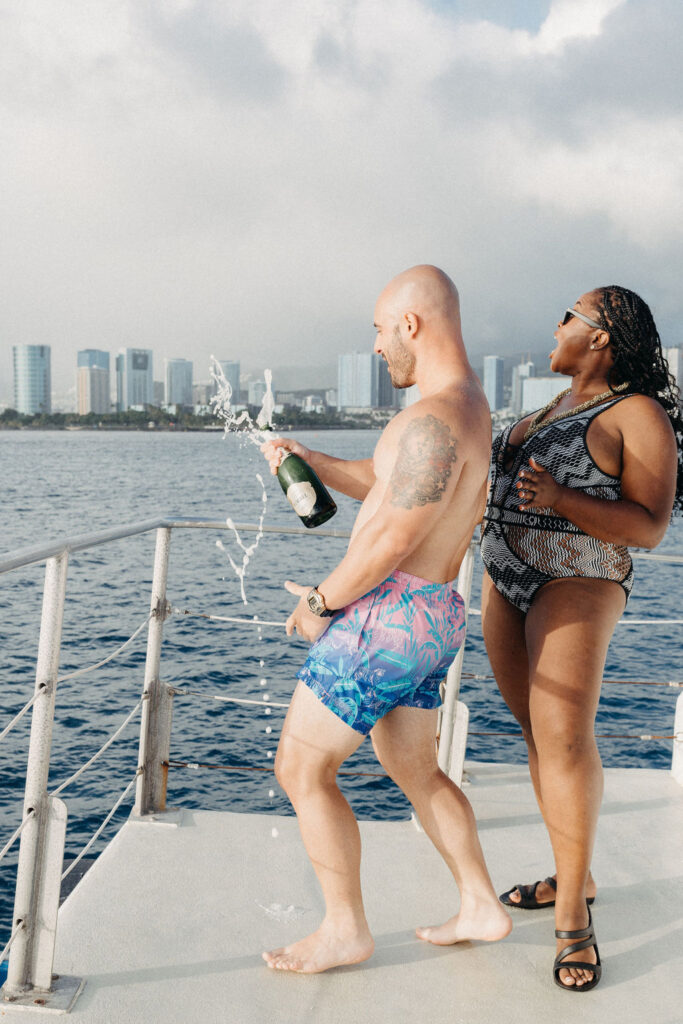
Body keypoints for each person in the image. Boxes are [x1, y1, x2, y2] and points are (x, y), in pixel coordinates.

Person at [259, 265, 511, 973]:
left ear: (410, 324)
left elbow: (393, 536)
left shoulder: (431, 419)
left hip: (389, 616)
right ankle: (479, 904)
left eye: (378, 329)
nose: (375, 346)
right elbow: (395, 483)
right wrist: (312, 461)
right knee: (416, 768)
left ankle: (343, 929)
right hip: (433, 616)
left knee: (302, 768)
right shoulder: (461, 408)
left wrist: (319, 602)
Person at [480, 285, 683, 991]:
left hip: (579, 573)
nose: (555, 325)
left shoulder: (637, 413)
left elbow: (650, 526)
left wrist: (562, 500)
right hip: (502, 577)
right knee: (538, 738)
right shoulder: (541, 410)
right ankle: (579, 873)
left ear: (598, 337)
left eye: (568, 315)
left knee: (564, 736)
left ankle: (572, 916)